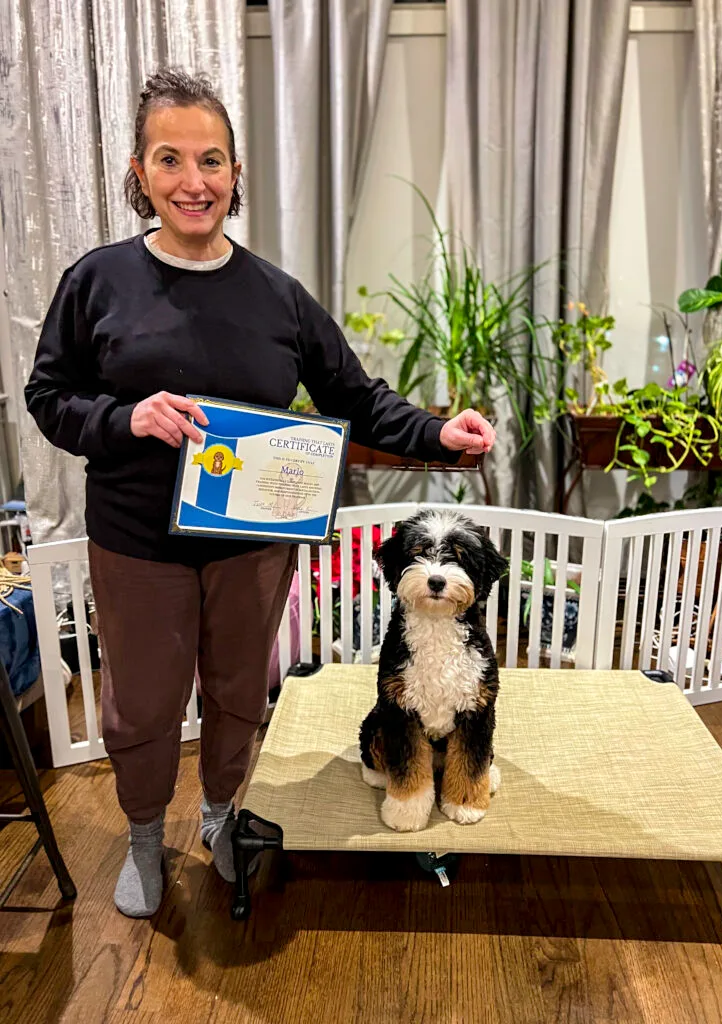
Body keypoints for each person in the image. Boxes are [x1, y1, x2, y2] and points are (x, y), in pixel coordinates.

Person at [24, 68, 496, 918]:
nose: (192, 181)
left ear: (237, 173)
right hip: (137, 541)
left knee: (241, 687)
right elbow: (49, 398)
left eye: (211, 160)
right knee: (143, 699)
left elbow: (356, 398)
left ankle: (218, 817)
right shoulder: (97, 281)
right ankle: (142, 836)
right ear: (139, 171)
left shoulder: (278, 295)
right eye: (170, 160)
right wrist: (125, 420)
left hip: (252, 539)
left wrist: (436, 432)